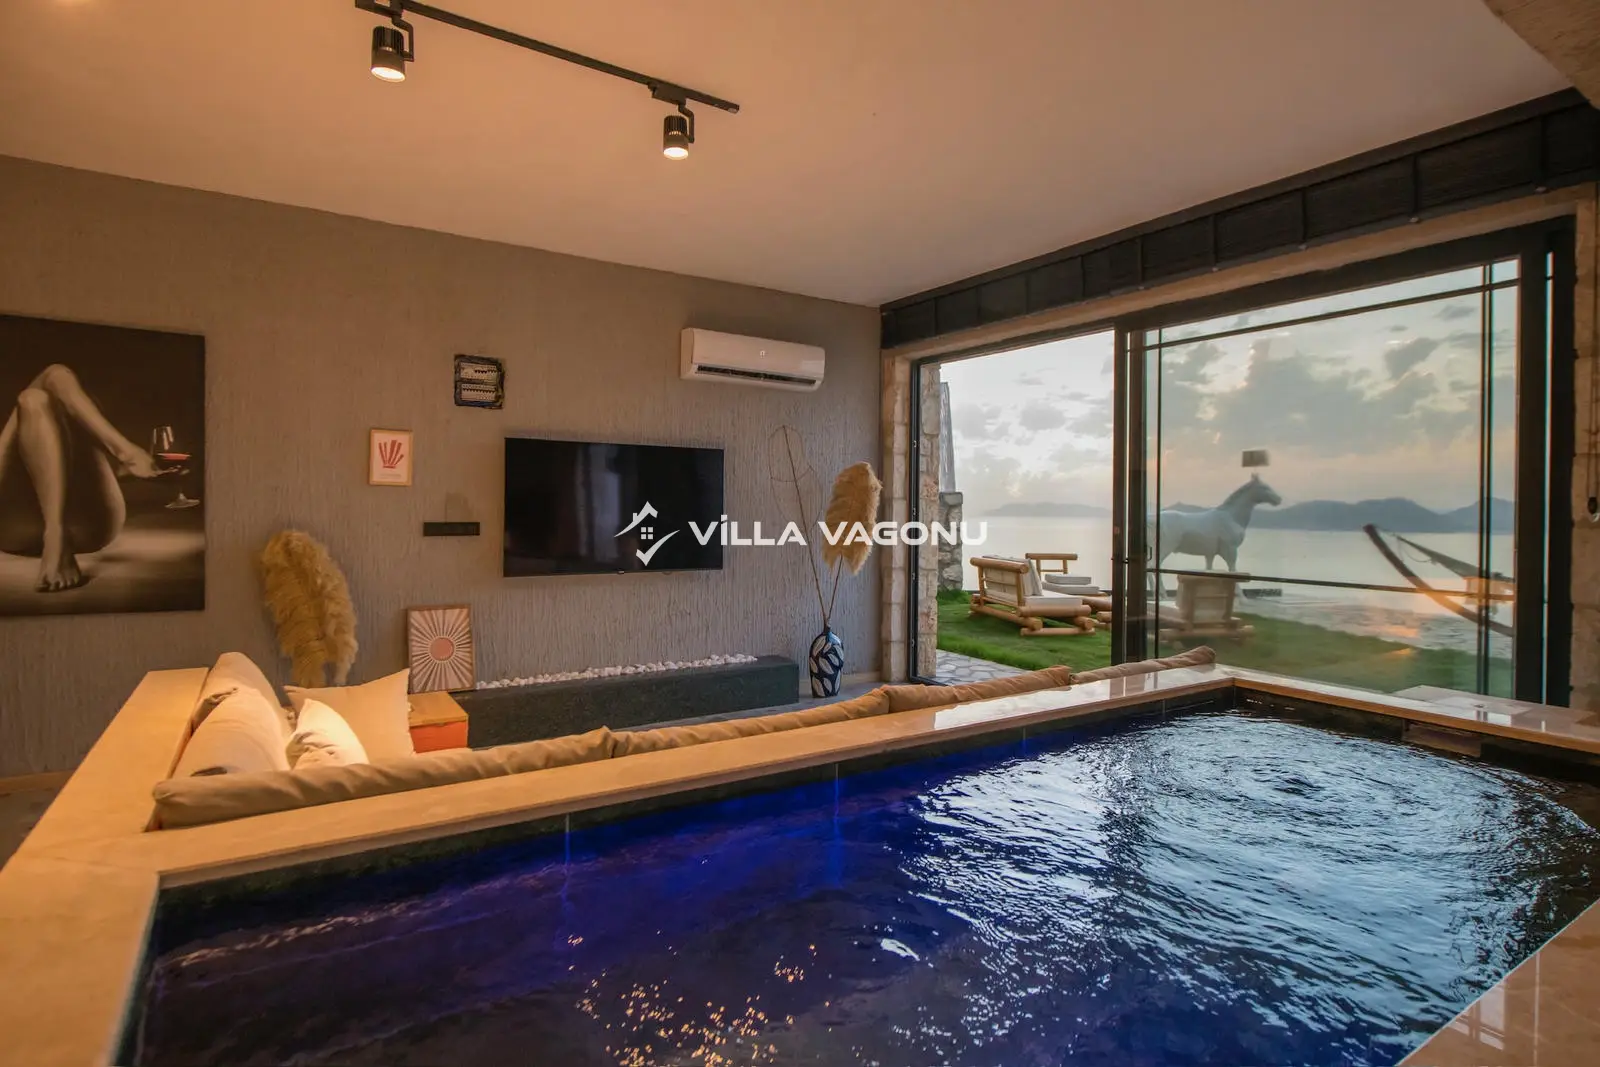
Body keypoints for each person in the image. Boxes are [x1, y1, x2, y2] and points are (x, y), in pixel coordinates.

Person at [0, 363, 163, 591]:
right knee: (37, 395)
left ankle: (56, 534)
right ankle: (125, 452)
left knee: (38, 395)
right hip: (84, 526)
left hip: (36, 525)